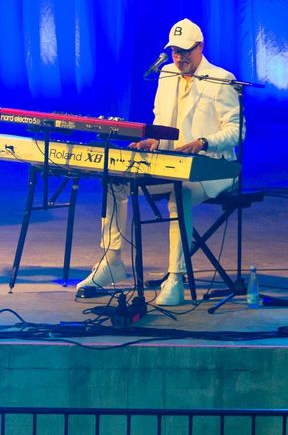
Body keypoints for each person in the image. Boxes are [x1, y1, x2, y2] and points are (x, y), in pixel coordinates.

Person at [75, 18, 243, 306]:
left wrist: (204, 142)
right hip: (174, 164)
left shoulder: (221, 78)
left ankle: (175, 278)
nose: (179, 57)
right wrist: (153, 141)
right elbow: (162, 121)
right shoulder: (166, 74)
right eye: (175, 51)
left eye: (185, 51)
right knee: (116, 182)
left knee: (181, 194)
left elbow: (237, 130)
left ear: (200, 47)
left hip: (214, 168)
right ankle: (112, 261)